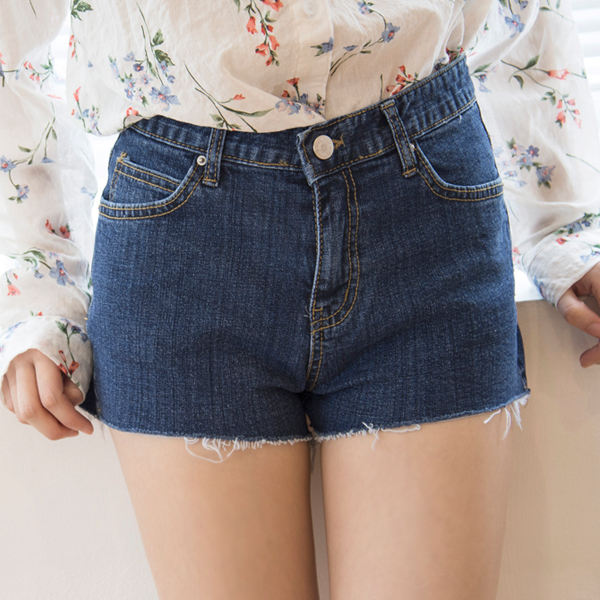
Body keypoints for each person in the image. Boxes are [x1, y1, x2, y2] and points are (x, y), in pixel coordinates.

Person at [1, 1, 600, 598]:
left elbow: (523, 14)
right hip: (180, 239)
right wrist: (37, 291)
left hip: (426, 208)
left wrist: (567, 228)